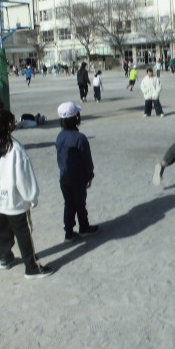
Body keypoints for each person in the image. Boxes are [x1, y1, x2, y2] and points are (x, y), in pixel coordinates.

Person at [0, 109, 54, 279]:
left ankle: (5, 257)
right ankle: (32, 267)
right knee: (23, 233)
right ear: (7, 126)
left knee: (2, 231)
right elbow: (24, 176)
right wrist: (31, 197)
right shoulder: (15, 149)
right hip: (15, 202)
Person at [55, 101, 99, 243]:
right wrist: (90, 175)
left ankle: (69, 232)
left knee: (69, 204)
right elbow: (87, 160)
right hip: (78, 179)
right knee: (80, 204)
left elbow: (60, 158)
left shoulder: (59, 137)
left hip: (64, 177)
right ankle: (84, 228)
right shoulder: (80, 138)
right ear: (76, 118)